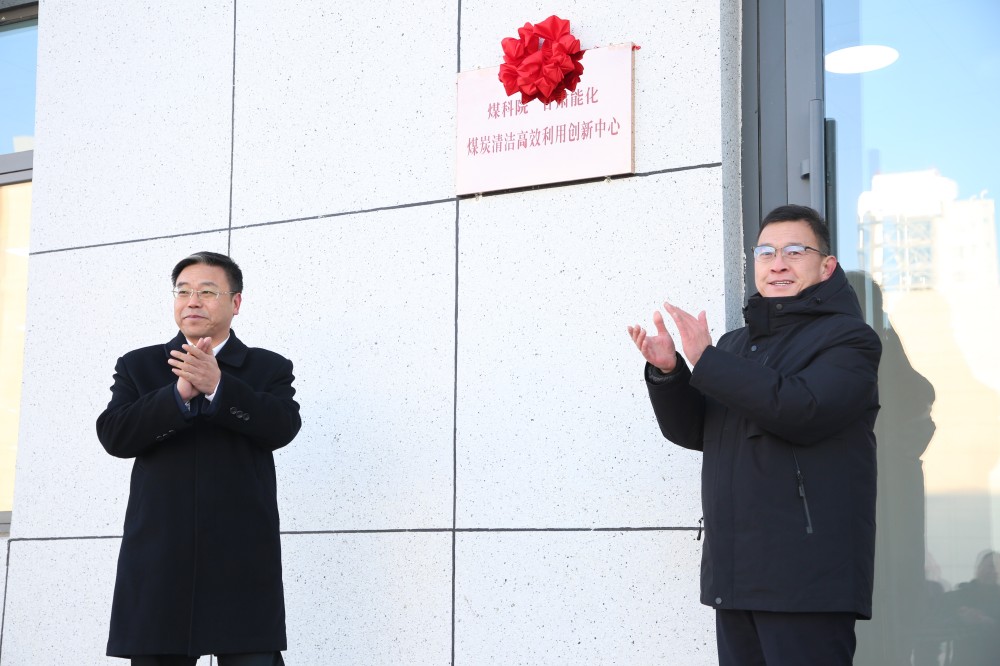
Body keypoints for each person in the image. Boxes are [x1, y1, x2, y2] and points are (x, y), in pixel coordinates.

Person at [627, 205, 881, 665]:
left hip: (806, 581)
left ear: (827, 266)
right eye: (766, 252)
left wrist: (709, 362)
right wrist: (670, 372)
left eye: (794, 251)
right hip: (735, 576)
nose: (777, 263)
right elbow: (698, 430)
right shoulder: (734, 345)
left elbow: (802, 409)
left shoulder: (850, 340)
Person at [97, 251, 301, 666]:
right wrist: (178, 394)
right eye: (183, 291)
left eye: (207, 292)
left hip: (242, 551)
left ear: (235, 302)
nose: (192, 301)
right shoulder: (139, 365)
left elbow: (282, 427)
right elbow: (115, 435)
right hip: (160, 551)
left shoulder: (268, 367)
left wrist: (219, 386)